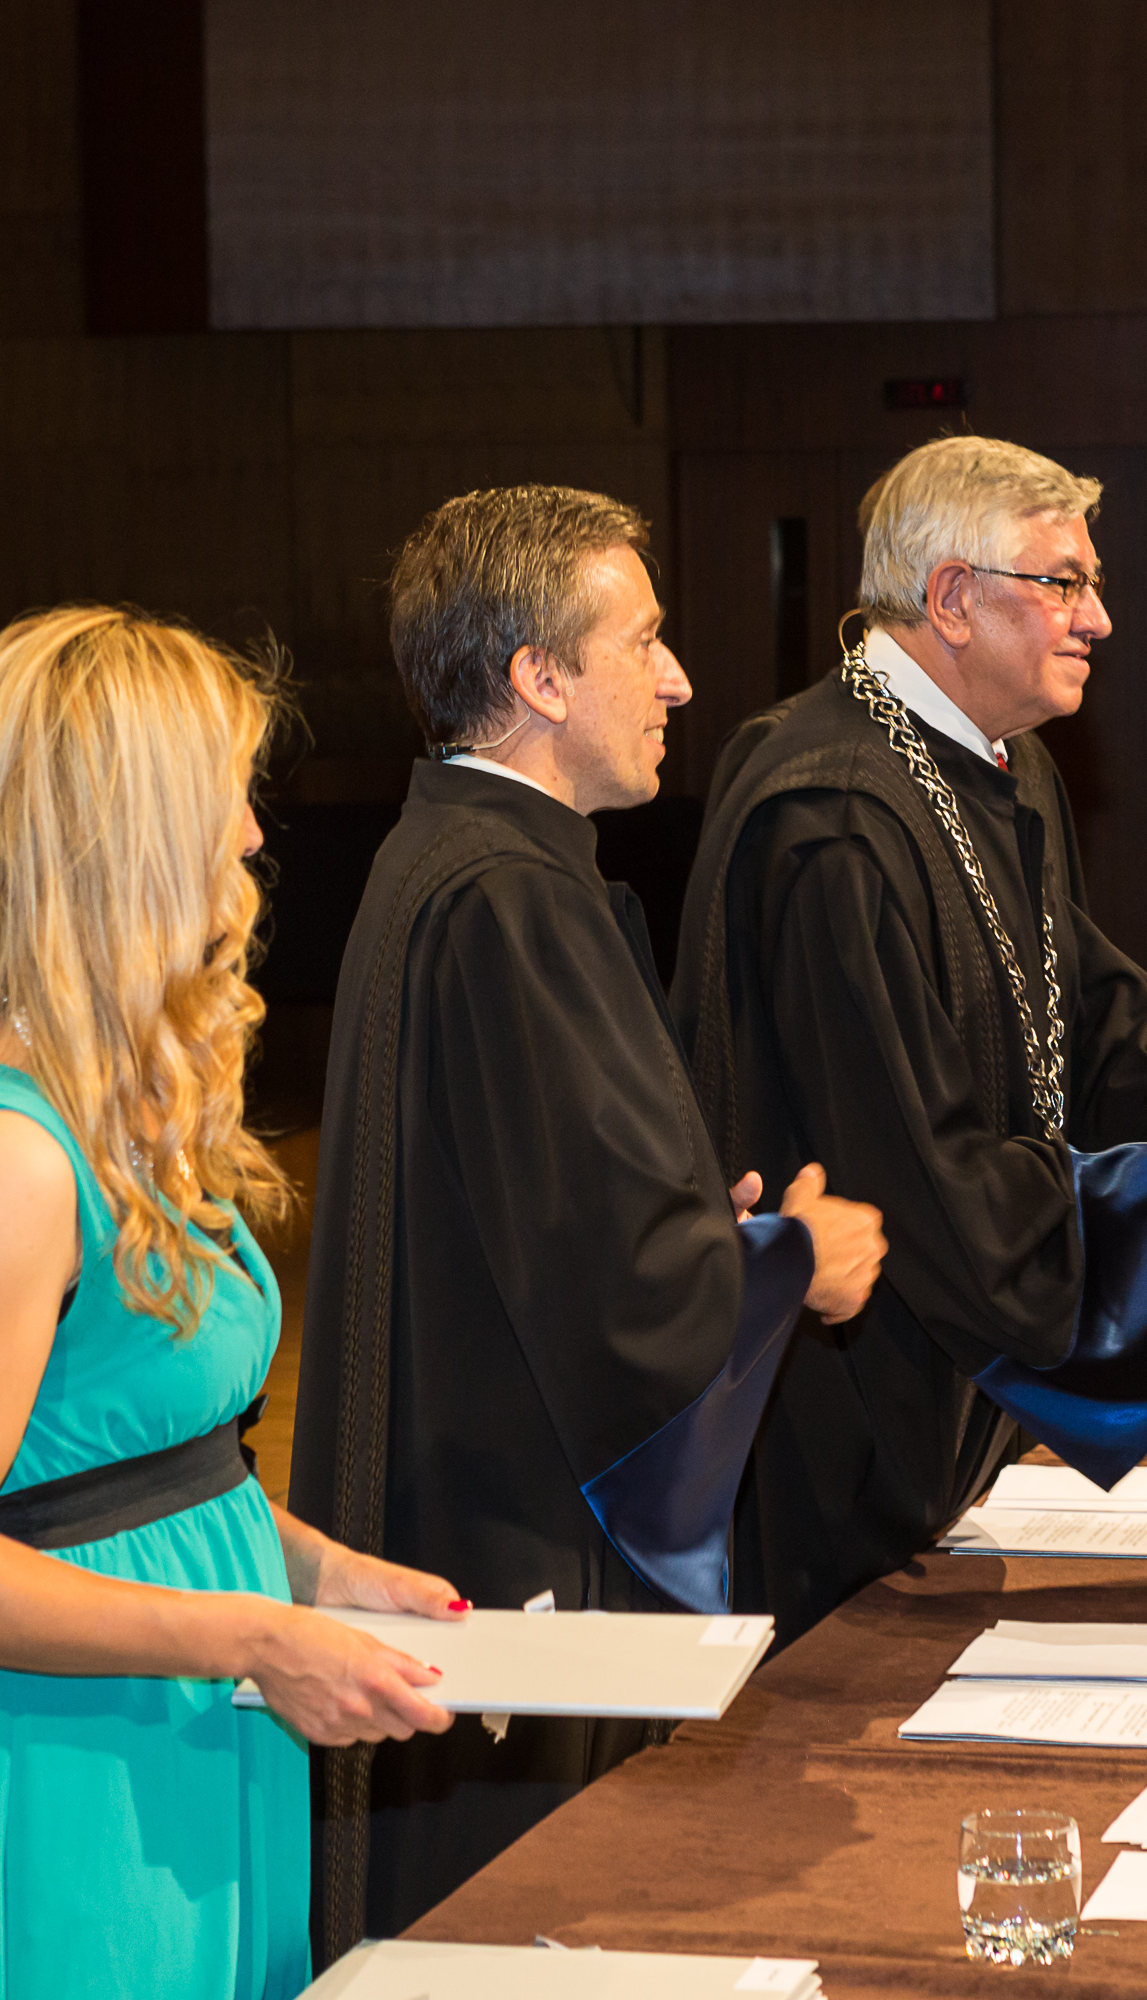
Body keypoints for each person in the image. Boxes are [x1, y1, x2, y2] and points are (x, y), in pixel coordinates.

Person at [0, 608, 464, 2000]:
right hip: (68, 1775)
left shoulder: (108, 1105)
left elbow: (127, 1474)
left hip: (185, 1729)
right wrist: (249, 1633)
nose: (251, 835)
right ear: (124, 831)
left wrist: (318, 1574)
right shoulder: (3, 1155)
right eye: (225, 793)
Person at [672, 434, 1147, 1639]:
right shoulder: (830, 816)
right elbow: (915, 1164)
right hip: (838, 1401)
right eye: (1063, 582)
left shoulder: (1007, 771)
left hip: (951, 1385)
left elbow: (1083, 1012)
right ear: (952, 598)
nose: (1099, 619)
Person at [286, 485, 886, 1956]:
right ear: (540, 678)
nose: (677, 679)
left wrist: (692, 1213)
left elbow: (555, 1203)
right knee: (522, 1928)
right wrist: (789, 1262)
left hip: (464, 1482)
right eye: (644, 640)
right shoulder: (508, 894)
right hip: (506, 1539)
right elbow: (616, 1293)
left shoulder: (465, 860)